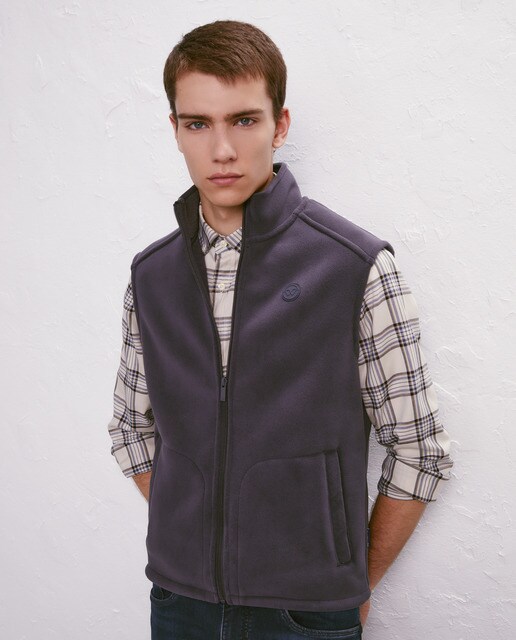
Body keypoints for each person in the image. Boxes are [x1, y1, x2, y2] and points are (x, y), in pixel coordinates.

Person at [107, 19, 453, 640]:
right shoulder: (151, 276)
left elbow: (418, 450)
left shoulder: (354, 266)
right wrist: (201, 537)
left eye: (244, 120)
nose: (222, 150)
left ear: (280, 125)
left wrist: (352, 585)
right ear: (175, 130)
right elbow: (132, 430)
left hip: (306, 614)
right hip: (179, 604)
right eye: (198, 124)